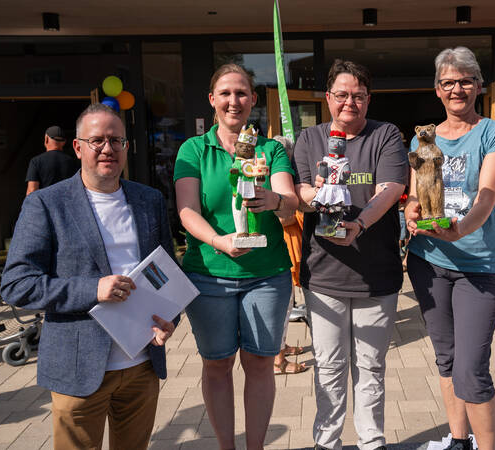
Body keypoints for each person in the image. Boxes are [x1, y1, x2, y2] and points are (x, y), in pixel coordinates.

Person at [1, 104, 177, 449]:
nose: (107, 149)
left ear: (126, 147)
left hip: (142, 365)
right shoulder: (47, 204)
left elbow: (166, 272)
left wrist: (169, 316)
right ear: (78, 147)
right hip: (78, 366)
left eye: (116, 140)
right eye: (97, 141)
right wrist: (92, 289)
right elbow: (16, 283)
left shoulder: (149, 200)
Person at [174, 63, 298, 449]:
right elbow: (187, 210)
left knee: (260, 363)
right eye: (225, 93)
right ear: (211, 100)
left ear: (253, 100)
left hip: (267, 274)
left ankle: (255, 446)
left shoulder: (270, 149)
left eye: (242, 93)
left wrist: (273, 200)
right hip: (209, 274)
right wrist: (218, 241)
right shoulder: (193, 149)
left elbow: (290, 206)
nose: (233, 101)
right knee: (217, 364)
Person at [404, 47, 495, 450]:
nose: (457, 89)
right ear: (437, 89)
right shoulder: (425, 138)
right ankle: (458, 440)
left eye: (465, 80)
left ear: (479, 86)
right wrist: (412, 212)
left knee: (471, 370)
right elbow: (415, 194)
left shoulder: (494, 133)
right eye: (448, 82)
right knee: (447, 359)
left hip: (479, 266)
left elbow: (488, 195)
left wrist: (462, 229)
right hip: (429, 263)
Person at [293, 59, 407, 450]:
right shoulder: (310, 139)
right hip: (324, 275)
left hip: (377, 275)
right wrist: (317, 194)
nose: (349, 103)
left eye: (358, 96)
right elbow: (301, 192)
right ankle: (327, 443)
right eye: (341, 95)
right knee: (329, 368)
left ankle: (371, 442)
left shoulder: (386, 134)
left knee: (371, 367)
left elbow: (390, 189)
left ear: (368, 99)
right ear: (328, 98)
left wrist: (359, 224)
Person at [272, 135, 308, 375]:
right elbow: (282, 218)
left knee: (286, 305)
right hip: (281, 251)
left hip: (290, 249)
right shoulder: (274, 180)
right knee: (283, 307)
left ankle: (280, 348)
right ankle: (278, 361)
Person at [26, 125, 79, 195]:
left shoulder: (36, 161)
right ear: (64, 142)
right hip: (65, 204)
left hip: (44, 205)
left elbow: (32, 190)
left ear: (46, 139)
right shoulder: (73, 162)